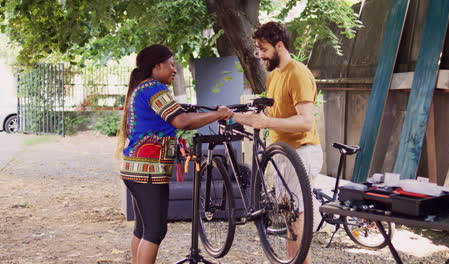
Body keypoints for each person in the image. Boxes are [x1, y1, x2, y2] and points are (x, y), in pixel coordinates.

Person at [115, 44, 233, 264]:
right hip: (148, 171)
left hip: (135, 169)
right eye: (171, 64)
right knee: (155, 231)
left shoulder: (141, 88)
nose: (174, 69)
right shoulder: (154, 89)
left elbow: (177, 115)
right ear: (157, 66)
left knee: (143, 228)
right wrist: (218, 114)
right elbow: (181, 121)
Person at [233, 21, 322, 264]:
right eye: (258, 49)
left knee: (299, 216)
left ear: (279, 45)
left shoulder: (299, 74)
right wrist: (238, 118)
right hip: (282, 155)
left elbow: (305, 122)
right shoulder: (274, 77)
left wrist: (266, 123)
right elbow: (272, 118)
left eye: (263, 49)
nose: (260, 55)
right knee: (290, 216)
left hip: (301, 152)